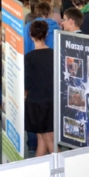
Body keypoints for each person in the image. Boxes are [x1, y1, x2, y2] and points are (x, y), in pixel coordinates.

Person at [24, 20, 55, 156]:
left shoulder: (29, 58)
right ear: (46, 34)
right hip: (50, 101)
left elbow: (27, 83)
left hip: (35, 103)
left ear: (31, 35)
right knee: (43, 139)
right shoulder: (54, 54)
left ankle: (63, 167)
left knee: (46, 139)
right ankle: (40, 167)